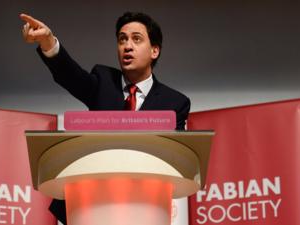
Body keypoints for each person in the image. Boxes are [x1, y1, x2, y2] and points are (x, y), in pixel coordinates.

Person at [20, 11, 191, 224]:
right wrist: (48, 41)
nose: (127, 46)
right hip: (91, 207)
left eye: (136, 39)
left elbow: (177, 159)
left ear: (154, 50)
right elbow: (70, 75)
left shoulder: (175, 102)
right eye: (122, 39)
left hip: (144, 207)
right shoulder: (103, 81)